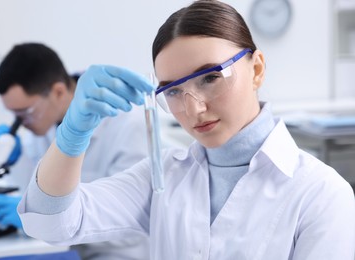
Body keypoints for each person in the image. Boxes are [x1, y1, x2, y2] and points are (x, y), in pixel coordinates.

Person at [18, 1, 355, 259]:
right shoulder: (162, 177)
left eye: (210, 78)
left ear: (257, 69)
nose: (193, 109)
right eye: (173, 91)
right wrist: (72, 136)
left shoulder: (322, 195)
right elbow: (53, 224)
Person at [0, 43, 150, 259]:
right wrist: (12, 160)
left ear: (58, 91)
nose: (22, 124)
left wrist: (50, 218)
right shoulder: (40, 129)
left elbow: (135, 222)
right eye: (15, 115)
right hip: (65, 250)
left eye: (25, 113)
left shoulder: (128, 125)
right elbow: (32, 200)